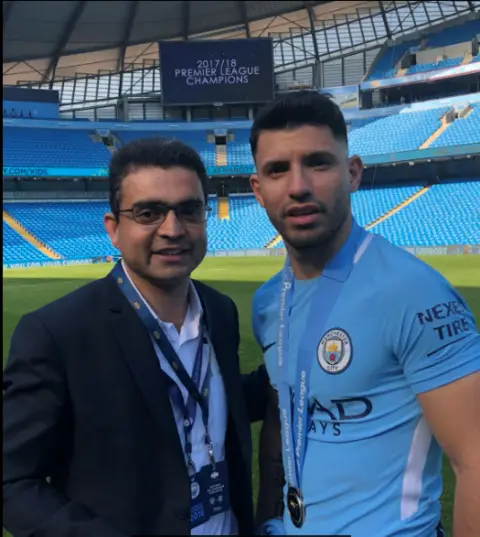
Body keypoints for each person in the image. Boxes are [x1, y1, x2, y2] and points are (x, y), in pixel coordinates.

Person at [3, 137, 268, 537]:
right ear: (114, 229)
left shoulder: (220, 311)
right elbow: (12, 480)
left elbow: (212, 399)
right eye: (148, 213)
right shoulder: (57, 333)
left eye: (189, 210)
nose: (172, 229)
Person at [249, 91, 480, 537]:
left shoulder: (413, 293)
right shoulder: (268, 303)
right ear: (258, 190)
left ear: (353, 173)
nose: (298, 186)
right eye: (277, 170)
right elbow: (286, 417)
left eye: (318, 163)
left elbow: (474, 460)